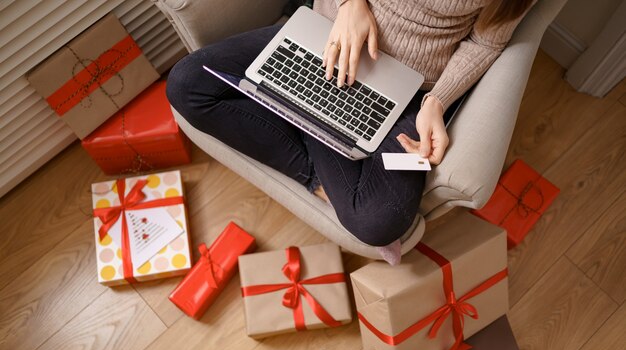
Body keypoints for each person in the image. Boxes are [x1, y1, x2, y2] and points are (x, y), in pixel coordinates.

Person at [166, 0, 536, 253]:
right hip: (327, 38)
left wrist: (437, 102)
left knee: (380, 222)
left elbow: (485, 43)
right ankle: (321, 155)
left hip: (407, 88)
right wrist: (351, 5)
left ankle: (301, 116)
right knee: (186, 85)